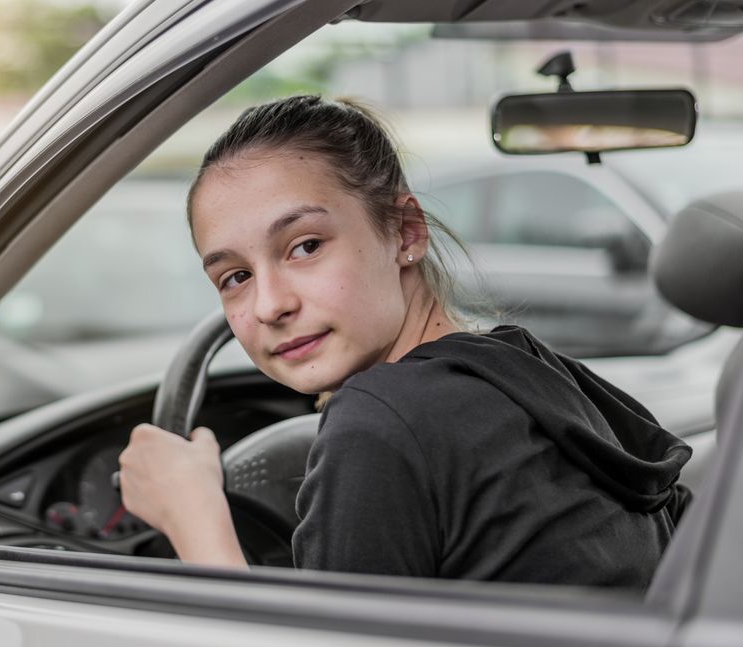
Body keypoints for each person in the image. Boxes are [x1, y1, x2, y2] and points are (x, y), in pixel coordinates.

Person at [117, 95, 690, 588]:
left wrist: (193, 518)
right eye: (235, 277)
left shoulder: (380, 422)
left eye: (305, 246)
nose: (270, 305)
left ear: (406, 232)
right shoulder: (526, 367)